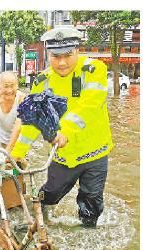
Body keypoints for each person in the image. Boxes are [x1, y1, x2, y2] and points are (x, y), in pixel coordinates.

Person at [10, 27, 114, 227]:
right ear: (48, 54)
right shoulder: (41, 83)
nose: (62, 62)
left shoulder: (94, 70)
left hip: (95, 152)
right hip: (62, 155)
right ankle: (41, 222)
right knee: (50, 194)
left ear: (78, 51)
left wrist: (63, 130)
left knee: (92, 202)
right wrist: (16, 153)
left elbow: (90, 106)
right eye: (56, 56)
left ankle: (87, 237)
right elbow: (32, 123)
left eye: (68, 55)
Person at [0, 71, 26, 151]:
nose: (9, 90)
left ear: (17, 85)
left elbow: (18, 126)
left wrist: (9, 149)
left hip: (18, 141)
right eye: (6, 86)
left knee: (18, 162)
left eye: (12, 86)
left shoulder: (22, 99)